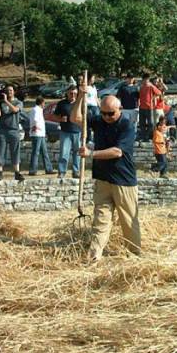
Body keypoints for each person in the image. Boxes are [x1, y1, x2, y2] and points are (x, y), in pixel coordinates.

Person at [71, 93, 141, 262]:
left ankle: (135, 255)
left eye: (111, 113)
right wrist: (81, 95)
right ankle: (94, 257)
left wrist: (91, 153)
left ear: (120, 110)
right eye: (103, 113)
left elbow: (117, 152)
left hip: (123, 181)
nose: (107, 117)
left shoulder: (127, 125)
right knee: (100, 220)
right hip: (102, 179)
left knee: (129, 221)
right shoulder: (99, 120)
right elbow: (75, 118)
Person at [0, 85, 24, 182]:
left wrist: (6, 101)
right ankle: (0, 172)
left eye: (11, 90)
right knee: (0, 151)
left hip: (13, 130)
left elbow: (15, 110)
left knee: (15, 151)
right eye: (7, 91)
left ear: (14, 92)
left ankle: (17, 172)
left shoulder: (18, 102)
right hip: (2, 130)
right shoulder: (2, 102)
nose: (9, 92)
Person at [54, 85, 82, 179]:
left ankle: (76, 171)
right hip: (65, 132)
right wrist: (61, 119)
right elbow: (55, 116)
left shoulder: (80, 104)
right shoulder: (62, 104)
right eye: (71, 93)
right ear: (67, 93)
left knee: (77, 153)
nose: (73, 94)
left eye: (74, 93)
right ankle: (62, 172)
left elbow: (84, 117)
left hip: (77, 131)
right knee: (64, 153)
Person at [28, 96, 54, 176]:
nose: (44, 104)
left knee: (44, 152)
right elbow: (35, 120)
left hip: (41, 134)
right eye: (44, 103)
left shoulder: (39, 110)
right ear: (41, 102)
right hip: (37, 134)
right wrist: (36, 127)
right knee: (35, 152)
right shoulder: (35, 110)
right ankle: (33, 170)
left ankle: (48, 169)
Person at [138, 73, 161, 141]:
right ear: (143, 80)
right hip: (141, 107)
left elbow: (159, 93)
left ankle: (147, 136)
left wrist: (154, 97)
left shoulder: (151, 86)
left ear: (148, 79)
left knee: (151, 123)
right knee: (142, 123)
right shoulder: (141, 87)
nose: (146, 80)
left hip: (149, 107)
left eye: (147, 79)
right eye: (144, 79)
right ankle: (143, 137)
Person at [86, 74, 100, 145]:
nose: (94, 79)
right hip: (88, 106)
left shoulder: (94, 87)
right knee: (88, 123)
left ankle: (96, 138)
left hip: (95, 106)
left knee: (97, 123)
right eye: (93, 78)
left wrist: (99, 106)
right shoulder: (85, 87)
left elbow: (96, 97)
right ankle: (88, 139)